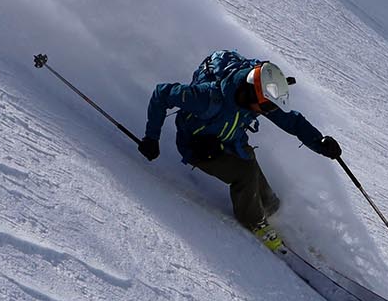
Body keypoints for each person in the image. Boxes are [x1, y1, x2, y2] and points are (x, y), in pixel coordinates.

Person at [139, 56, 341, 231]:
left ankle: (271, 208)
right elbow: (162, 94)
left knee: (251, 167)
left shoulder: (259, 98)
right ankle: (254, 222)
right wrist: (151, 138)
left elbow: (292, 121)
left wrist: (319, 142)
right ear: (251, 93)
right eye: (266, 106)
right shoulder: (207, 98)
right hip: (198, 146)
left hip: (231, 141)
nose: (268, 111)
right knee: (244, 173)